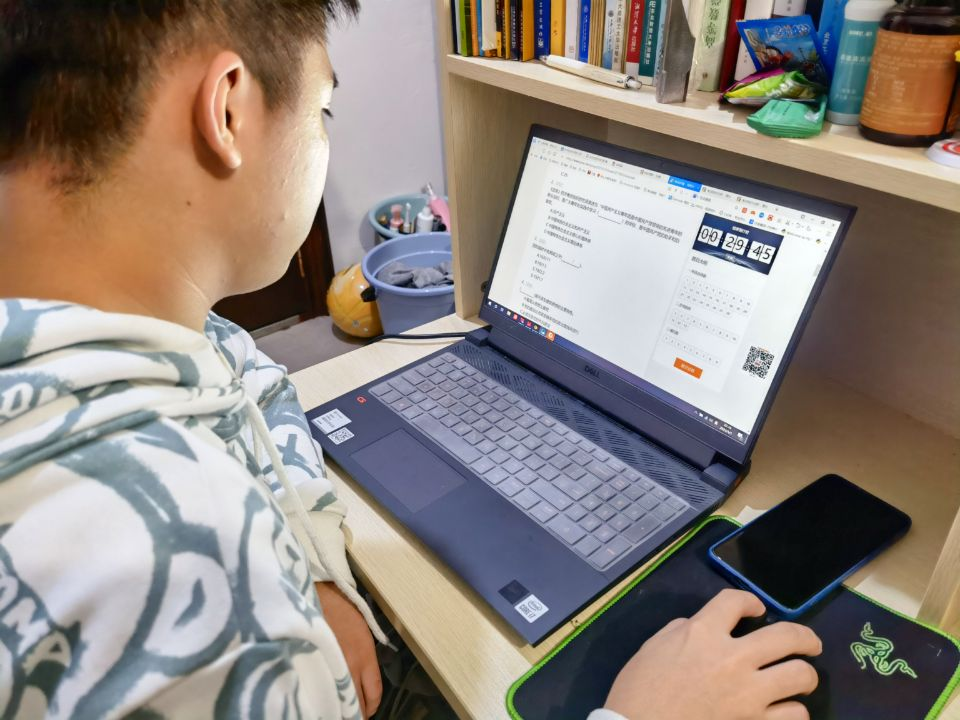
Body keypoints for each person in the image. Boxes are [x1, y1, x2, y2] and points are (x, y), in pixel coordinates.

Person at [0, 2, 822, 718]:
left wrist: (314, 564)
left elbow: (253, 382)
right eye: (324, 110)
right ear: (228, 109)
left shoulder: (140, 326)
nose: (324, 137)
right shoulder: (182, 577)